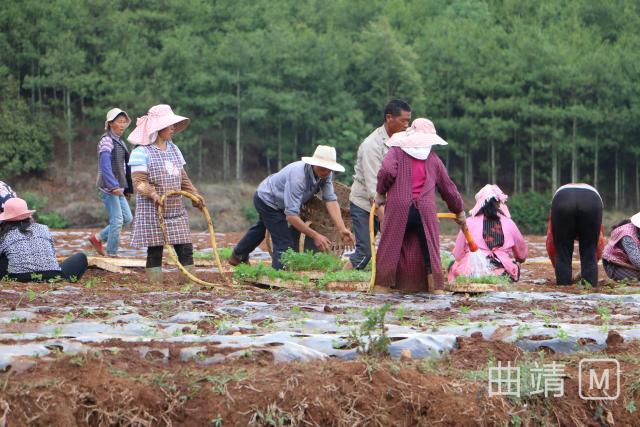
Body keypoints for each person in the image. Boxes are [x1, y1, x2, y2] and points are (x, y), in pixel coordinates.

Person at [374, 118, 465, 293]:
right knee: (430, 255)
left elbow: (386, 171)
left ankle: (381, 294)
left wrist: (380, 193)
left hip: (399, 208)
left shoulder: (396, 152)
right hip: (425, 210)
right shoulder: (433, 159)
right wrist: (459, 211)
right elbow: (448, 189)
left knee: (389, 251)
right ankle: (436, 293)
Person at [230, 145, 355, 270]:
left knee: (261, 229)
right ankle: (278, 277)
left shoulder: (325, 175)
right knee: (284, 242)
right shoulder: (298, 177)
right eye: (323, 168)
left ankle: (238, 255)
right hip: (268, 199)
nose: (327, 172)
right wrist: (315, 235)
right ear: (314, 164)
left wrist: (342, 229)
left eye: (329, 169)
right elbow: (291, 216)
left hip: (281, 202)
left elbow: (331, 200)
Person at [127, 104, 204, 284]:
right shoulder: (141, 152)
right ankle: (156, 286)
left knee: (185, 247)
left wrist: (194, 195)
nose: (173, 128)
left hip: (176, 209)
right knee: (155, 250)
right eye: (169, 125)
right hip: (153, 210)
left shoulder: (174, 149)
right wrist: (153, 194)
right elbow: (139, 183)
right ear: (158, 128)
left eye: (173, 125)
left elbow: (182, 177)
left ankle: (189, 284)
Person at [346, 99, 411, 270]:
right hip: (365, 205)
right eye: (403, 121)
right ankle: (339, 281)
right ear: (389, 118)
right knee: (364, 253)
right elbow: (373, 187)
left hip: (389, 204)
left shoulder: (402, 141)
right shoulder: (371, 145)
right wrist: (383, 218)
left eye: (408, 121)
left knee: (401, 248)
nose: (406, 125)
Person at [448, 185, 527, 282]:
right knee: (514, 265)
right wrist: (517, 261)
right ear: (499, 203)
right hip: (502, 273)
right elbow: (522, 255)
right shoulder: (509, 223)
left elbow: (457, 254)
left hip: (471, 272)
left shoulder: (468, 222)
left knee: (453, 264)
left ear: (479, 203)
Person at [0, 198, 88, 282]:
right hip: (53, 275)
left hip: (20, 277)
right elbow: (52, 254)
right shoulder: (43, 228)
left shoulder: (5, 235)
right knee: (81, 257)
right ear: (27, 215)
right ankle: (65, 281)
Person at [88, 108, 133, 257]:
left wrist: (127, 189)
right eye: (119, 122)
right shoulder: (106, 140)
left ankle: (98, 238)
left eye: (124, 122)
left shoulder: (120, 142)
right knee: (118, 220)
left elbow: (124, 167)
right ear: (110, 124)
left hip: (119, 188)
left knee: (127, 218)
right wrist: (113, 186)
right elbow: (105, 165)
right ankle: (112, 253)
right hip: (109, 188)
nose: (122, 125)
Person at [546, 183, 605, 286]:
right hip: (592, 200)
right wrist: (594, 259)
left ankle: (564, 288)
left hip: (562, 199)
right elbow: (599, 246)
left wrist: (558, 264)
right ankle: (589, 288)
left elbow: (551, 243)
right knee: (589, 250)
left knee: (563, 252)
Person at [602, 213, 640, 281]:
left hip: (629, 262)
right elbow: (637, 261)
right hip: (615, 265)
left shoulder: (637, 231)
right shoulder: (627, 235)